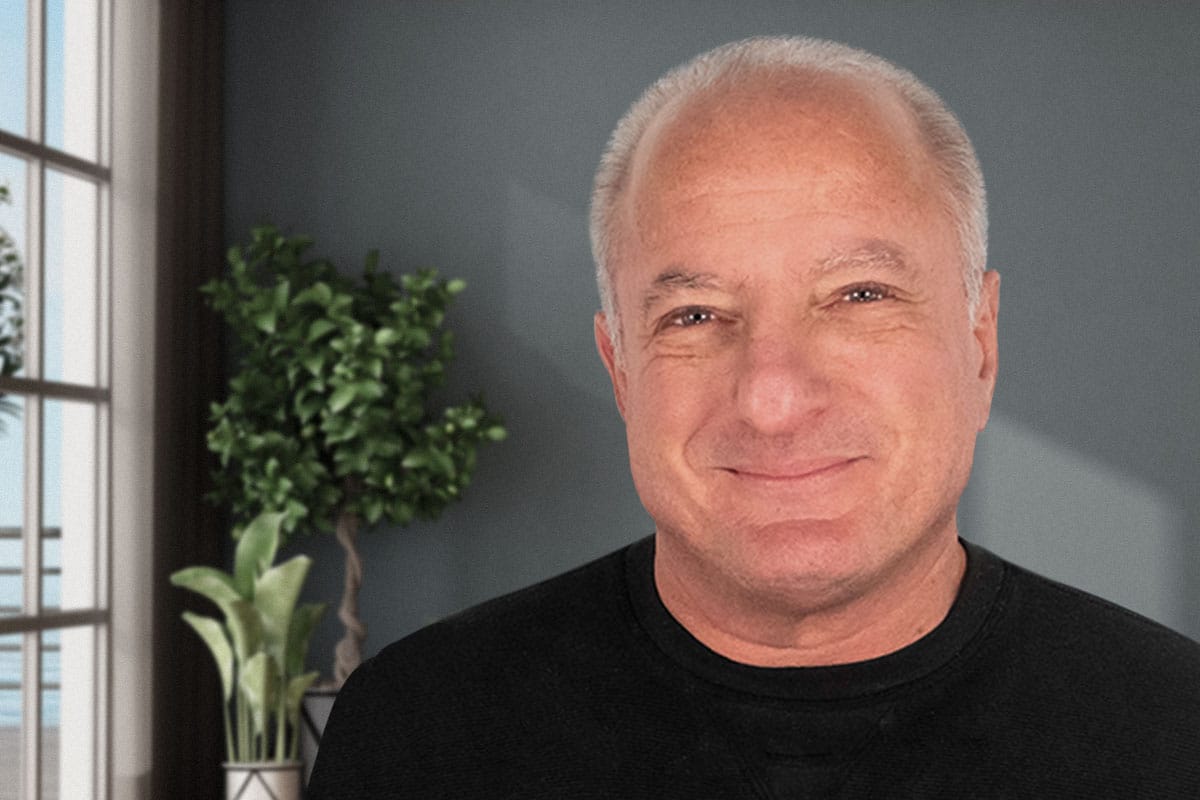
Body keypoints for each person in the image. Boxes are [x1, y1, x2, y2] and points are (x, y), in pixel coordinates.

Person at [307, 36, 1200, 798]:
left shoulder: (1173, 734)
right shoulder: (419, 733)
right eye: (693, 315)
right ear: (621, 369)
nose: (773, 400)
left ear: (980, 345)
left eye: (859, 295)